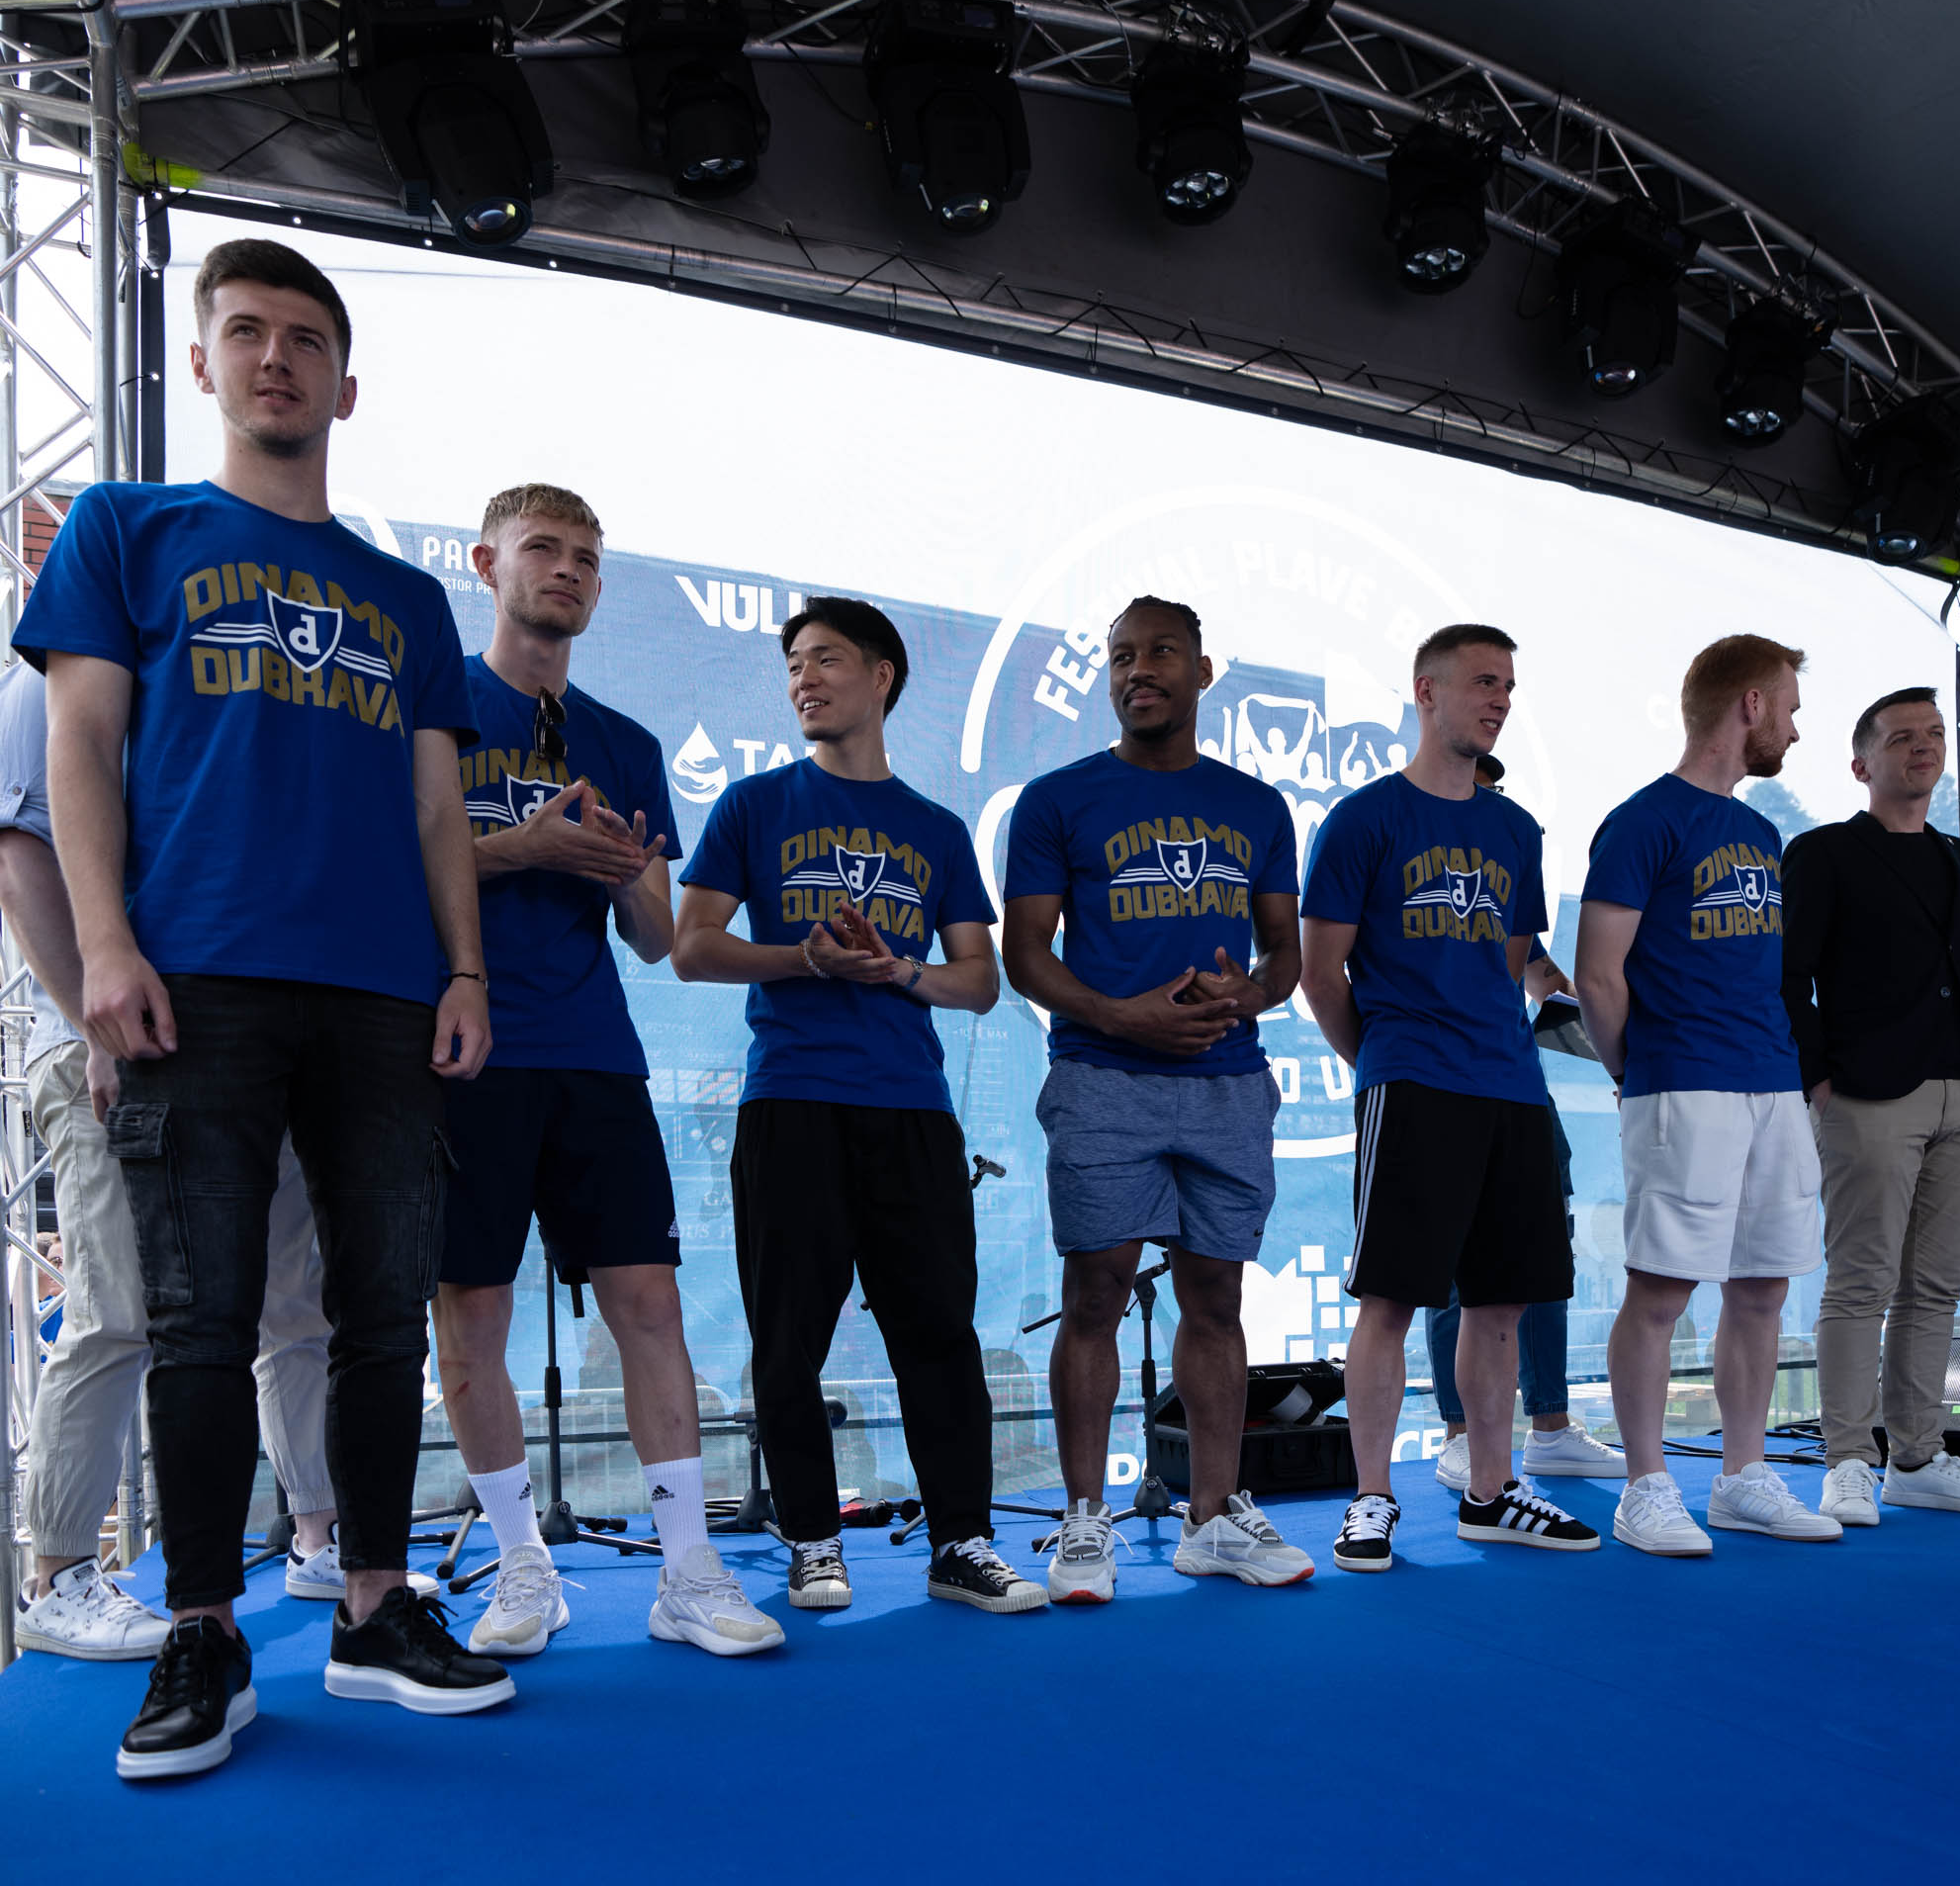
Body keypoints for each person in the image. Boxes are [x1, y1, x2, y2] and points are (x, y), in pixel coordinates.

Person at [16, 237, 510, 1779]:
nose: (277, 357)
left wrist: (466, 971)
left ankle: (374, 1608)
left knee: (379, 1318)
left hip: (382, 994)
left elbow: (436, 810)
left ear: (345, 386)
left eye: (306, 338)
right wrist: (105, 947)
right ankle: (206, 1631)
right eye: (246, 332)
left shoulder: (404, 597)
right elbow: (77, 748)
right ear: (203, 363)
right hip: (197, 978)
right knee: (200, 1320)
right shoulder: (126, 528)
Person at [0, 656, 437, 1664]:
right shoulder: (38, 685)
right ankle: (60, 1572)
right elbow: (11, 855)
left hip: (228, 1045)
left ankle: (318, 1533)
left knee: (292, 1303)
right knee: (120, 1304)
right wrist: (91, 1022)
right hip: (104, 1044)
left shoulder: (177, 681)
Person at [430, 485, 780, 1659]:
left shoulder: (624, 741)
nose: (568, 569)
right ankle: (521, 1563)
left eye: (586, 555)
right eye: (543, 547)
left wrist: (623, 866)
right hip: (465, 1050)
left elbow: (655, 935)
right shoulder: (432, 708)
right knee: (471, 1313)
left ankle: (689, 1569)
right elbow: (392, 870)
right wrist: (523, 844)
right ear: (487, 563)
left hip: (594, 1052)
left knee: (651, 1304)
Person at [673, 595, 1038, 1613]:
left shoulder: (935, 828)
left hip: (911, 1110)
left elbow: (979, 980)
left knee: (940, 1334)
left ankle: (961, 1541)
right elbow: (691, 945)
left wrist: (895, 972)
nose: (804, 678)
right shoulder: (753, 805)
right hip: (791, 1102)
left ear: (882, 676)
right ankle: (812, 1540)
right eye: (794, 663)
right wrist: (806, 959)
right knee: (787, 1338)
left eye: (826, 659)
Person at [1000, 594, 1315, 1602]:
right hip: (1103, 1079)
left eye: (1161, 652)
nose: (1139, 669)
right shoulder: (1057, 800)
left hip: (1226, 1084)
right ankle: (1084, 1517)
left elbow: (1284, 956)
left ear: (1202, 671)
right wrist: (1120, 1016)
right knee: (1094, 1295)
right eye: (1121, 656)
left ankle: (1212, 1518)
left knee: (1216, 1299)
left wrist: (1247, 995)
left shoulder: (1257, 807)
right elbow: (1023, 953)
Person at [1302, 624, 1600, 1569]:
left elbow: (1510, 965)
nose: (1500, 698)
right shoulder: (1363, 819)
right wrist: (1386, 1063)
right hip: (1413, 1084)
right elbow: (1320, 973)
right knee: (1390, 1302)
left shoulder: (1515, 831)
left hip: (1511, 1087)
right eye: (1481, 681)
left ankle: (1491, 1492)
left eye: (1507, 684)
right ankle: (1371, 1499)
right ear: (1425, 691)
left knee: (1501, 1304)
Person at [1581, 635, 1838, 1557]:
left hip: (1772, 1082)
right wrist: (1635, 1073)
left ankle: (1742, 1476)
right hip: (1683, 1083)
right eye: (1791, 709)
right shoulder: (1642, 820)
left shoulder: (1762, 834)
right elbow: (1598, 974)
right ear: (1751, 705)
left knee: (1763, 1286)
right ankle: (1645, 1487)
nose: (1796, 730)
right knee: (1660, 1291)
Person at [1781, 684, 1960, 1527]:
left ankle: (1917, 1457)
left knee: (1933, 1287)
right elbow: (1789, 978)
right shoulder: (1821, 853)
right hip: (1867, 1090)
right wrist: (1818, 1079)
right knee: (1861, 1280)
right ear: (1862, 764)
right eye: (1901, 738)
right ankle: (1849, 1460)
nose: (1923, 746)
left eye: (1933, 734)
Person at [1428, 906, 1625, 1491]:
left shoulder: (1504, 901)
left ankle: (1551, 1427)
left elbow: (1548, 983)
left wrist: (1616, 1041)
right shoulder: (1414, 895)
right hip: (1439, 1089)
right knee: (1456, 1266)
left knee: (1544, 1257)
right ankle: (1460, 1435)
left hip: (1522, 1090)